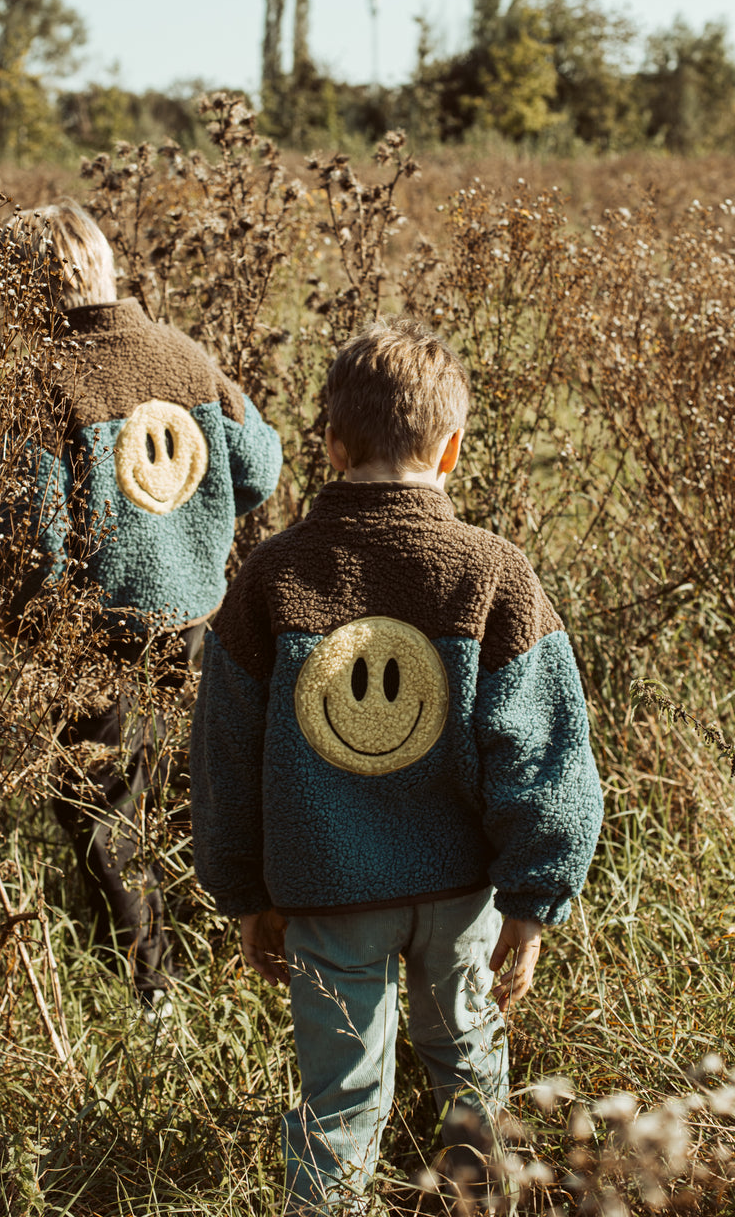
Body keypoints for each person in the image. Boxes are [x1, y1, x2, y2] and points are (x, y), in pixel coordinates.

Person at [190, 316, 603, 1210]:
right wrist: (533, 902)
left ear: (332, 443)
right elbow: (543, 755)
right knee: (470, 1080)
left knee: (338, 1100)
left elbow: (224, 754)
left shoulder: (271, 576)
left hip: (327, 893)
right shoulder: (493, 573)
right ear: (451, 450)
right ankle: (483, 1205)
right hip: (460, 895)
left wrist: (246, 892)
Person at [0, 200, 283, 1016]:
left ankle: (152, 992)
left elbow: (32, 545)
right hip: (202, 624)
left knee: (103, 815)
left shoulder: (42, 386)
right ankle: (242, 951)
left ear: (21, 294)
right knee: (199, 793)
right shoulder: (185, 358)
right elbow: (260, 464)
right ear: (108, 268)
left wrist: (17, 619)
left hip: (94, 642)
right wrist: (194, 522)